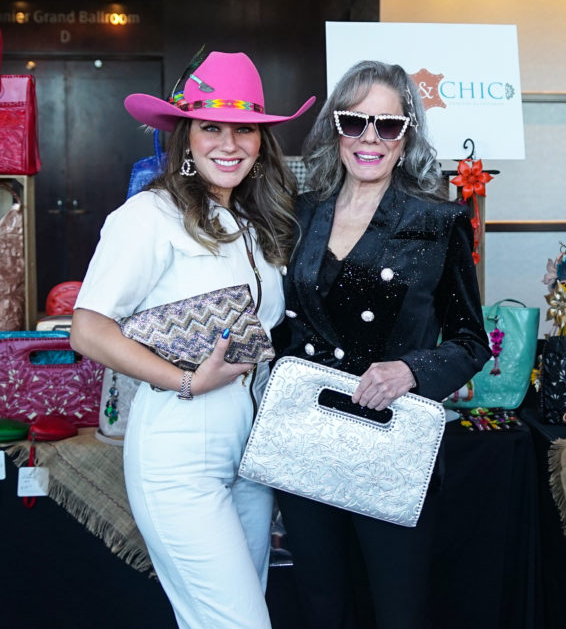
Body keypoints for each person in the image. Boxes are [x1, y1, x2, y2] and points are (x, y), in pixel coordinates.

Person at [69, 49, 314, 629]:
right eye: (211, 127)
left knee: (236, 613)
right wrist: (184, 378)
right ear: (185, 137)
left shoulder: (254, 224)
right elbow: (88, 328)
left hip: (250, 457)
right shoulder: (148, 216)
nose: (229, 143)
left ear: (262, 142)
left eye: (245, 129)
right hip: (179, 451)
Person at [275, 59, 490, 628]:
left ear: (407, 135)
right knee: (321, 605)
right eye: (355, 122)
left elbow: (473, 339)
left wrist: (412, 371)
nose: (370, 138)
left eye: (388, 126)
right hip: (307, 438)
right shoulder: (300, 215)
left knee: (397, 609)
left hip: (390, 442)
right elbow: (281, 327)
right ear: (335, 128)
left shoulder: (438, 221)